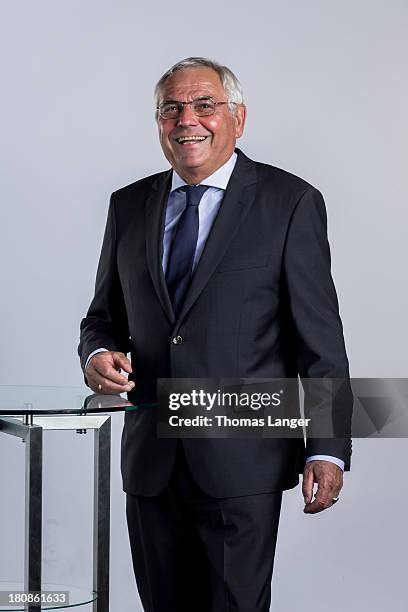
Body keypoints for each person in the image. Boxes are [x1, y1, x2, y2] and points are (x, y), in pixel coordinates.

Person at [78, 57, 352, 612]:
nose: (187, 120)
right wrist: (99, 352)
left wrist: (327, 448)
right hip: (151, 461)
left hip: (242, 460)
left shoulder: (289, 203)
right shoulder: (128, 205)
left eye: (204, 104)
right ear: (159, 123)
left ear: (238, 118)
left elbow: (319, 341)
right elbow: (102, 317)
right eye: (171, 109)